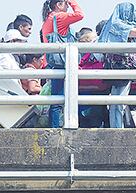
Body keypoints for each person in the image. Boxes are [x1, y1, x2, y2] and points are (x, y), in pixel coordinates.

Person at [99, 2, 136, 128]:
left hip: (117, 65)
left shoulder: (114, 24)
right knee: (118, 102)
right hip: (120, 66)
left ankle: (117, 127)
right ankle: (116, 129)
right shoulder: (118, 25)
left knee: (118, 102)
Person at [41, 0, 85, 128]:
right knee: (59, 100)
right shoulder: (59, 16)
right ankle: (56, 129)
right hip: (61, 64)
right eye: (65, 3)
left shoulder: (49, 19)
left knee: (57, 99)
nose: (68, 6)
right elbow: (80, 15)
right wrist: (72, 1)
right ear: (59, 4)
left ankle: (55, 127)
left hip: (53, 63)